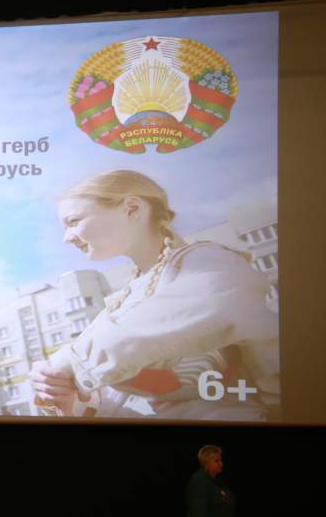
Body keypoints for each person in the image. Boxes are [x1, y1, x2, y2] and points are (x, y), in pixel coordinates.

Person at [28, 170, 278, 420]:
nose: (67, 238)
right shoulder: (127, 295)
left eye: (73, 221)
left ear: (132, 208)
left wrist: (67, 364)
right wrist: (60, 389)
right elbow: (114, 385)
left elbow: (171, 372)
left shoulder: (210, 264)